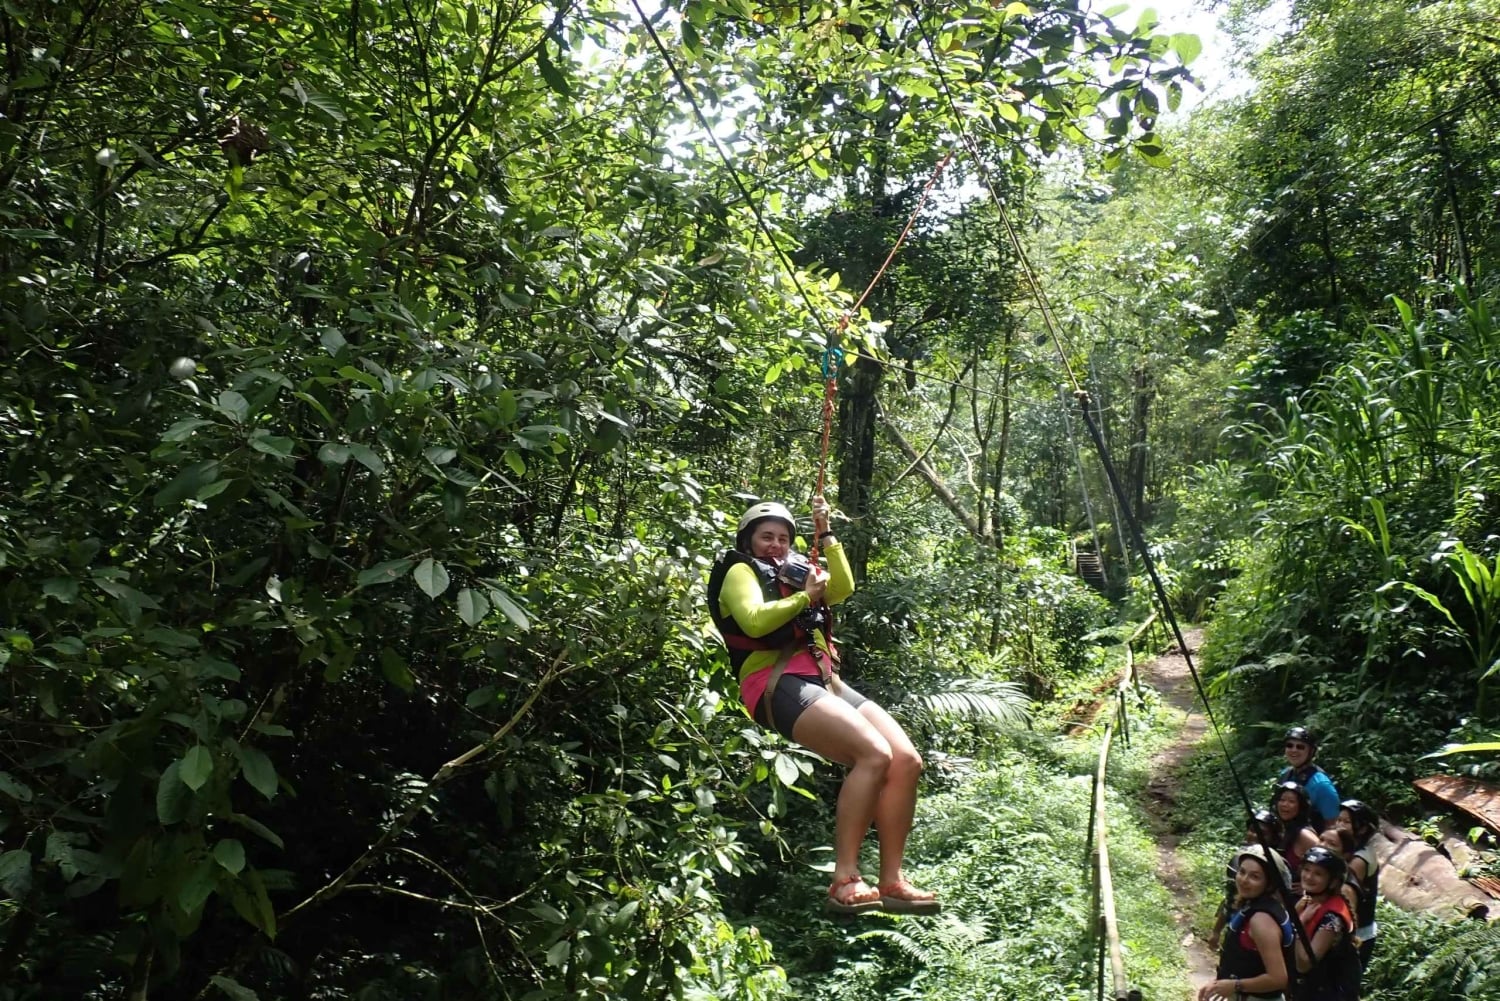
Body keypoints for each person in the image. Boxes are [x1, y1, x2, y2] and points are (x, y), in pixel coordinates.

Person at [707, 498, 938, 915]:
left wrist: (826, 532)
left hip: (823, 679)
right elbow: (754, 620)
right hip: (773, 681)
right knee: (873, 754)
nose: (776, 545)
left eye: (783, 538)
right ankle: (844, 878)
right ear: (748, 541)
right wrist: (803, 599)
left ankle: (892, 880)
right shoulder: (740, 571)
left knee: (906, 760)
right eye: (766, 537)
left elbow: (842, 588)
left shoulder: (796, 570)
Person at [1200, 844, 1295, 1001]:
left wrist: (1235, 985)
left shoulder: (1262, 920)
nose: (1244, 880)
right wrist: (1218, 984)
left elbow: (1278, 978)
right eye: (1242, 872)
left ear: (1269, 884)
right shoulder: (1251, 905)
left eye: (1255, 877)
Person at [1209, 809, 1284, 953]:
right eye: (1252, 830)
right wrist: (1216, 931)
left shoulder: (1279, 867)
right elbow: (1231, 898)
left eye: (1262, 833)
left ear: (1273, 838)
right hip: (1236, 927)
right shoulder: (1239, 859)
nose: (1254, 835)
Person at [1293, 846, 1363, 1000]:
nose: (1309, 876)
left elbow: (1304, 965)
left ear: (1332, 882)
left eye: (1318, 874)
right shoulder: (1308, 902)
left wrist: (1300, 924)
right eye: (1306, 870)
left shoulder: (1332, 919)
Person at [1335, 799, 1381, 967]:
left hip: (1358, 935)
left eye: (1346, 822)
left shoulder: (1360, 860)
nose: (1340, 825)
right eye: (1339, 820)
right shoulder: (1351, 850)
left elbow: (1345, 896)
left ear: (1362, 829)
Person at [1278, 727, 1340, 830]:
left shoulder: (1321, 784)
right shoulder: (1285, 774)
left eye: (1300, 747)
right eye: (1289, 745)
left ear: (1311, 751)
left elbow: (1333, 826)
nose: (1294, 750)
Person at [1271, 780, 1320, 893]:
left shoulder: (1305, 835)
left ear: (1301, 806)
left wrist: (1306, 887)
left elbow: (1328, 864)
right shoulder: (1280, 829)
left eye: (1291, 801)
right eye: (1282, 800)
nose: (1285, 805)